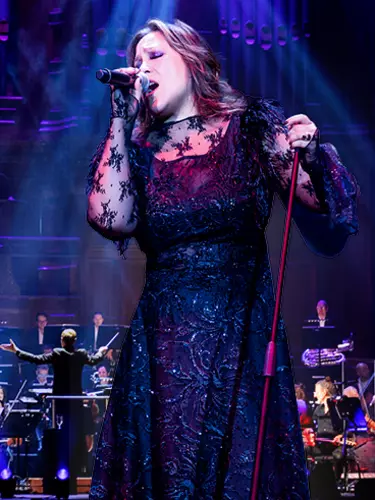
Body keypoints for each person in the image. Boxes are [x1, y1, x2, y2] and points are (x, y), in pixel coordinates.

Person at [86, 18, 359, 499]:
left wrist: (312, 154)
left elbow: (321, 210)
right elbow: (111, 218)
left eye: (154, 56)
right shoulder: (139, 150)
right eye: (135, 60)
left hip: (239, 339)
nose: (140, 69)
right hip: (163, 350)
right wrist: (119, 121)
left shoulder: (249, 126)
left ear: (191, 62)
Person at [0, 329, 108, 476]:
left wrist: (16, 350)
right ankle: (76, 467)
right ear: (74, 341)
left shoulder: (58, 353)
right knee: (74, 433)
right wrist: (102, 351)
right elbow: (95, 359)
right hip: (74, 402)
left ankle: (59, 466)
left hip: (59, 401)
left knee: (59, 432)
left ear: (62, 341)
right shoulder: (81, 354)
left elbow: (36, 359)